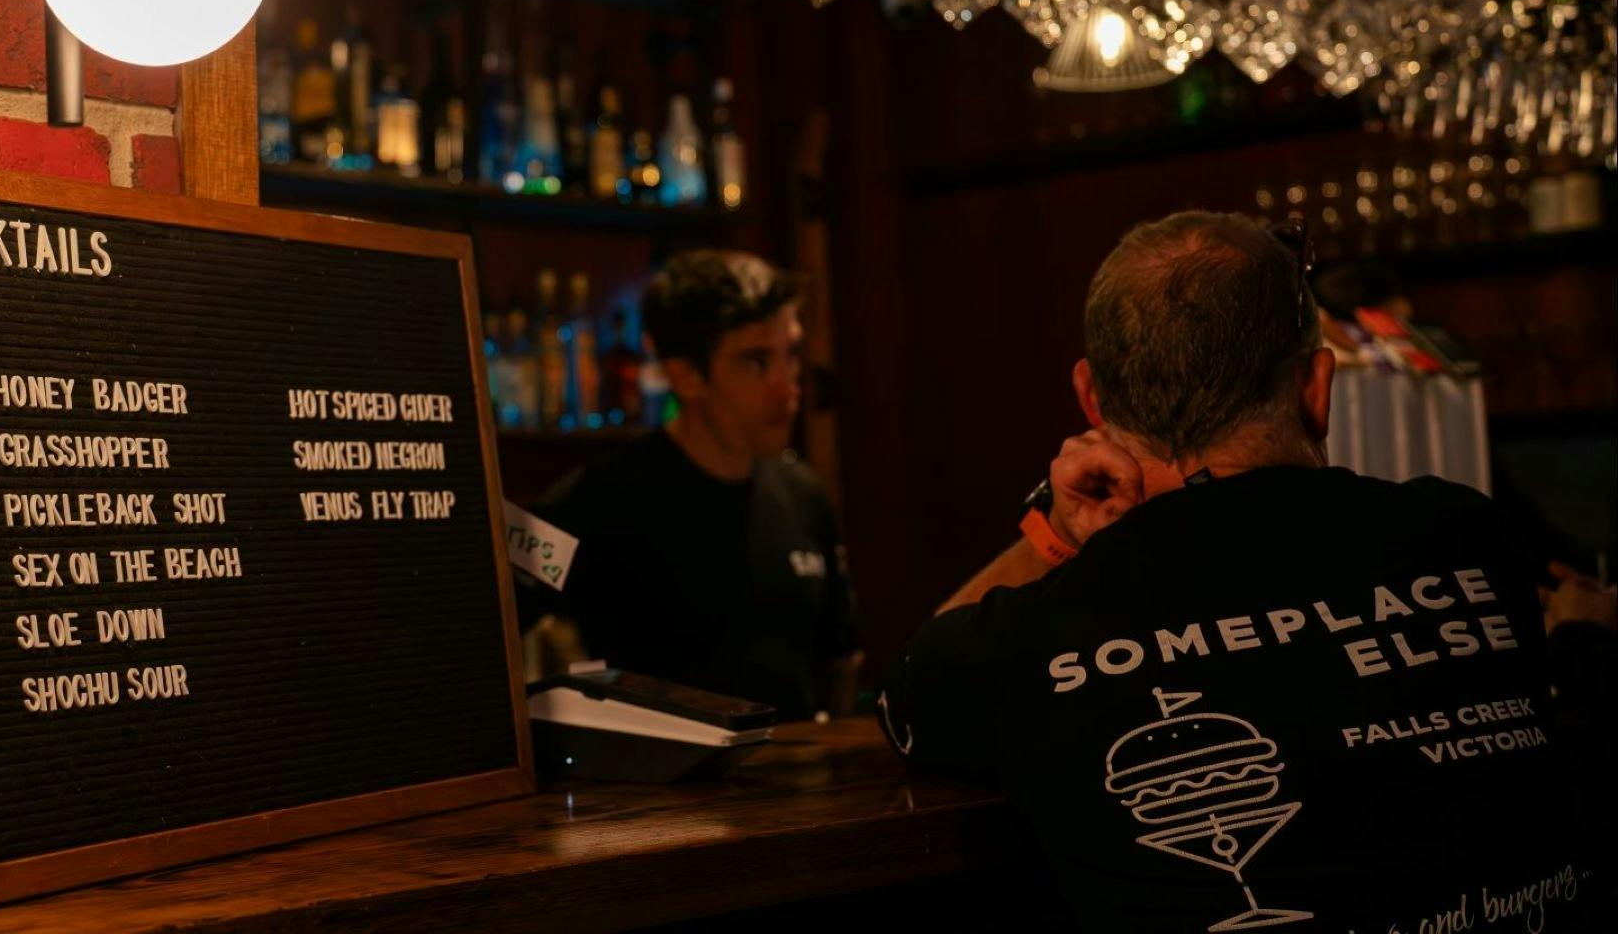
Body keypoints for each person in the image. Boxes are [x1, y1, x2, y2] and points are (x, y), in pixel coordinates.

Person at [878, 211, 1602, 932]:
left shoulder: (1039, 636)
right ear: (1319, 389)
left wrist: (1057, 530)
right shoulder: (1470, 537)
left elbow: (904, 692)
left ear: (1092, 399)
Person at [531, 250, 859, 719]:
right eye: (756, 362)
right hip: (659, 787)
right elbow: (494, 601)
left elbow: (842, 657)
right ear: (685, 375)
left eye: (791, 356)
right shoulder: (604, 497)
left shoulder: (802, 492)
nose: (787, 387)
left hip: (799, 781)